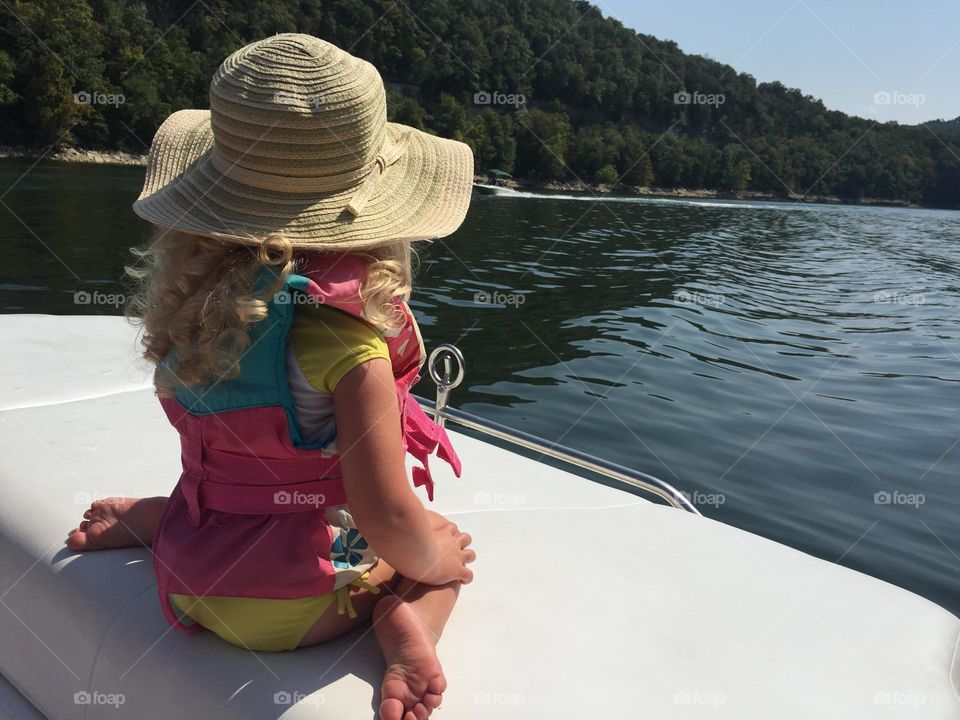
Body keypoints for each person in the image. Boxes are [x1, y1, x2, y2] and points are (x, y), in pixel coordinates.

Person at [65, 33, 476, 720]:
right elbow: (384, 515)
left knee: (238, 487)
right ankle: (408, 626)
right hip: (299, 606)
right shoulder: (351, 345)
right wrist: (431, 563)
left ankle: (158, 520)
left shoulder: (200, 314)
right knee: (439, 538)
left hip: (190, 575)